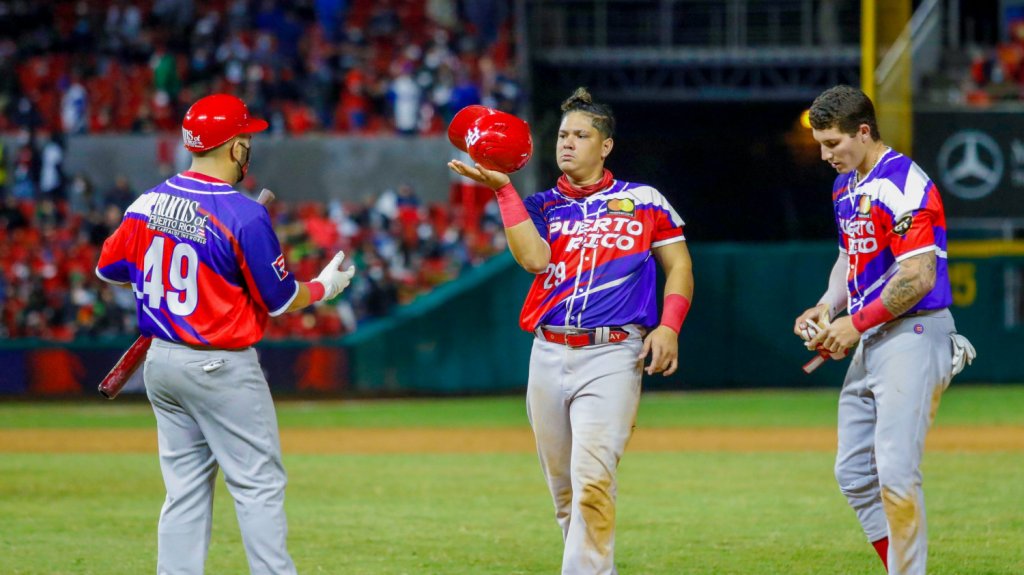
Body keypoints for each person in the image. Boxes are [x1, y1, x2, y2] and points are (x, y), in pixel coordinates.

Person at [95, 94, 355, 574]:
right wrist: (324, 287)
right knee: (258, 485)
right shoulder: (243, 214)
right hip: (220, 365)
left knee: (185, 490)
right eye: (246, 139)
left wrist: (183, 273)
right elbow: (279, 299)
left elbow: (109, 269)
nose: (248, 147)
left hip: (163, 362)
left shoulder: (147, 200)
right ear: (235, 148)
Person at [448, 87, 694, 574]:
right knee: (565, 493)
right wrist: (503, 190)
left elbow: (680, 265)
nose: (568, 143)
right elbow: (534, 259)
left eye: (581, 135)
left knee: (592, 480)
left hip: (612, 353)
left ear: (605, 146)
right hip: (548, 351)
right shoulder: (539, 204)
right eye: (563, 135)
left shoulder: (643, 200)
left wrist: (669, 326)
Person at [796, 84, 973, 575]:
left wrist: (855, 322)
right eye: (821, 144)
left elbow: (918, 277)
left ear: (864, 131)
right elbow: (848, 257)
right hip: (874, 335)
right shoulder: (844, 184)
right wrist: (827, 306)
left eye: (833, 143)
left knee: (895, 472)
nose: (825, 154)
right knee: (854, 473)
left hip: (914, 333)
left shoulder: (905, 184)